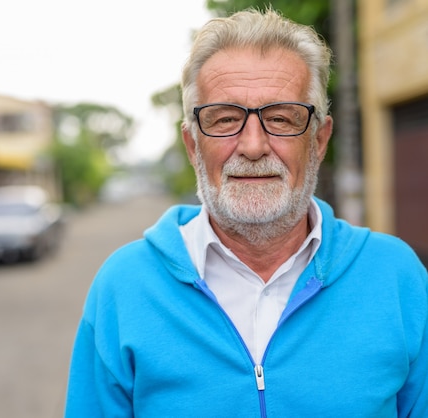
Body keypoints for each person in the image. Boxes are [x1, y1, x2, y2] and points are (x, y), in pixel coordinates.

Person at [65, 8, 428, 417]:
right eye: (224, 120)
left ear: (319, 140)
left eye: (279, 118)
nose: (253, 146)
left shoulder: (396, 277)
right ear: (191, 145)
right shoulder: (123, 286)